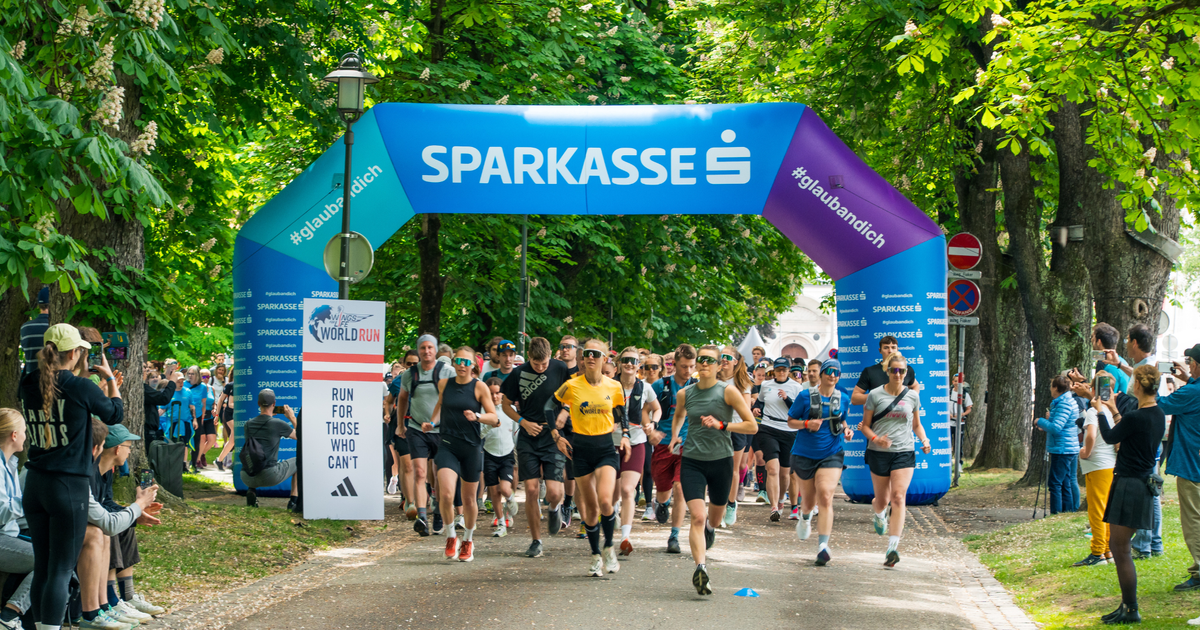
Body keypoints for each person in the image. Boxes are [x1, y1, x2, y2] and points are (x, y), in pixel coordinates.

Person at [18, 323, 126, 630]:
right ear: (76, 353)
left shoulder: (27, 382)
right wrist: (108, 380)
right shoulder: (82, 387)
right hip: (69, 485)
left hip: (36, 482)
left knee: (43, 567)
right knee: (62, 568)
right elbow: (115, 415)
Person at [669, 344, 758, 595]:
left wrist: (722, 425)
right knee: (697, 516)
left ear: (720, 366)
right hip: (692, 461)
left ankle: (711, 529)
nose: (705, 364)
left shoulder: (728, 392)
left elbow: (752, 427)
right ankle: (701, 568)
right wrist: (675, 436)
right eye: (702, 360)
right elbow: (678, 417)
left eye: (711, 360)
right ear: (696, 364)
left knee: (713, 520)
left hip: (721, 462)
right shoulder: (685, 394)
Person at [1094, 364, 1166, 624]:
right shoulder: (1157, 414)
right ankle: (1126, 604)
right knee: (1120, 546)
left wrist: (1099, 411)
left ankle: (1131, 608)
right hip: (1143, 483)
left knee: (1120, 548)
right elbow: (1130, 436)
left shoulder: (1136, 416)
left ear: (1137, 385)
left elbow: (1112, 438)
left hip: (1129, 485)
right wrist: (1114, 411)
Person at [554, 339, 632, 576]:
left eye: (596, 354)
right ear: (582, 357)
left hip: (605, 448)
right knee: (589, 508)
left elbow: (621, 410)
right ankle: (595, 554)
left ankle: (609, 547)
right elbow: (550, 406)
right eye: (587, 353)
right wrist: (556, 435)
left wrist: (626, 434)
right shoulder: (572, 385)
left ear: (605, 359)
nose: (590, 357)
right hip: (581, 449)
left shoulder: (613, 386)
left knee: (606, 501)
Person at [500, 337, 572, 558]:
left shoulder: (560, 369)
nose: (540, 368)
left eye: (544, 364)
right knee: (531, 489)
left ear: (551, 355)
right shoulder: (517, 374)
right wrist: (522, 421)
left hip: (553, 435)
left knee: (554, 492)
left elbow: (571, 395)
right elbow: (505, 404)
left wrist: (564, 412)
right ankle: (535, 540)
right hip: (529, 435)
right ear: (529, 357)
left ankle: (553, 509)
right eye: (536, 364)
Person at [859, 352, 930, 567]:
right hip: (878, 453)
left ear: (906, 373)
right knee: (882, 500)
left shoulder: (913, 396)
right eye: (893, 370)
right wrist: (876, 439)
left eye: (901, 371)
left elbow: (916, 424)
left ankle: (892, 548)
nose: (897, 374)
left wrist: (925, 440)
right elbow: (865, 426)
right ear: (887, 372)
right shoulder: (875, 395)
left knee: (899, 497)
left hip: (904, 452)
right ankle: (879, 513)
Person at [430, 347, 498, 562]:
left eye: (466, 362)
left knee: (469, 500)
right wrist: (431, 423)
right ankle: (451, 536)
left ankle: (468, 540)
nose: (461, 365)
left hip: (471, 448)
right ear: (453, 362)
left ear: (474, 366)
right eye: (458, 360)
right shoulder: (444, 384)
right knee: (446, 494)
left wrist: (477, 416)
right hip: (448, 445)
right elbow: (440, 406)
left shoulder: (480, 387)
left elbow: (494, 418)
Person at [787, 356, 854, 566]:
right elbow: (790, 422)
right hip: (805, 454)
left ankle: (823, 546)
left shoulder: (843, 398)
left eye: (837, 373)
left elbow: (842, 419)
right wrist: (807, 423)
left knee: (825, 495)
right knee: (808, 502)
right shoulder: (805, 396)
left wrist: (847, 429)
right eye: (829, 372)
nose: (833, 376)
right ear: (822, 374)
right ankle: (805, 517)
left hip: (832, 452)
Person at [393, 335, 452, 536]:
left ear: (435, 350)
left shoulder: (447, 371)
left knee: (437, 475)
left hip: (441, 430)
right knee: (419, 472)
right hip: (417, 428)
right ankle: (422, 517)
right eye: (423, 348)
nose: (426, 351)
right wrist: (400, 424)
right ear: (418, 351)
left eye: (430, 348)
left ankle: (437, 511)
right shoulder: (410, 375)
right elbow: (402, 398)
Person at [1157, 345, 1200, 592]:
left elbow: (1161, 404)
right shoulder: (1194, 388)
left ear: (1196, 365)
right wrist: (1188, 379)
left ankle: (1198, 571)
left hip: (1191, 467)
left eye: (1190, 360)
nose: (1188, 364)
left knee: (1193, 521)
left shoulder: (1193, 392)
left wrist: (1146, 380)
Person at [649, 344, 697, 554]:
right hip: (663, 444)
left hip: (688, 444)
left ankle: (674, 535)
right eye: (684, 366)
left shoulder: (698, 386)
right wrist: (651, 430)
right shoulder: (660, 386)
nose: (688, 371)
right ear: (674, 364)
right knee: (662, 489)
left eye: (691, 366)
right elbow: (645, 410)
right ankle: (661, 503)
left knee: (680, 488)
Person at [612, 347, 660, 555]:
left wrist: (653, 424)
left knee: (627, 490)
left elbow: (656, 409)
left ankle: (625, 537)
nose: (630, 364)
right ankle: (610, 519)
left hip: (637, 442)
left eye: (634, 361)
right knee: (610, 495)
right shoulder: (609, 386)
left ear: (638, 365)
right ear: (619, 364)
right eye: (626, 360)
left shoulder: (646, 388)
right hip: (611, 443)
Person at [1068, 376, 1118, 567]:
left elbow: (1091, 434)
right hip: (1109, 464)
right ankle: (1107, 550)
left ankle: (1097, 552)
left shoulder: (1092, 411)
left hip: (1097, 464)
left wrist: (1085, 452)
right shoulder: (1112, 411)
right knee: (1106, 509)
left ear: (1094, 389)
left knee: (1096, 510)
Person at [751, 357, 804, 523]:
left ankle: (781, 499)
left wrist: (787, 398)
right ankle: (774, 506)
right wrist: (756, 409)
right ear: (774, 371)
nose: (781, 372)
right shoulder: (766, 385)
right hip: (768, 428)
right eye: (778, 369)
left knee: (785, 472)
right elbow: (759, 402)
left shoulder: (796, 387)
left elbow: (798, 410)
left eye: (784, 369)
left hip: (789, 430)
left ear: (789, 370)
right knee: (772, 468)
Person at [0, 409, 34, 630]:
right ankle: (9, 615)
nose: (25, 436)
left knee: (60, 555)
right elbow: (2, 511)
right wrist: (32, 501)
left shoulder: (10, 463)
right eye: (23, 431)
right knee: (51, 560)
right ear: (14, 435)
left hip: (9, 535)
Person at [240, 389, 299, 510]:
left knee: (254, 457)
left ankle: (252, 491)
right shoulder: (278, 423)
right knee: (300, 461)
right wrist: (292, 417)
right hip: (269, 476)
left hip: (246, 476)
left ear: (258, 404)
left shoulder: (248, 424)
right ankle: (293, 502)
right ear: (274, 404)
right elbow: (301, 436)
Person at [716, 347, 755, 525]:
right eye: (721, 356)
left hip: (736, 427)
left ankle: (731, 504)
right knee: (717, 468)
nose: (723, 359)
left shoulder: (742, 381)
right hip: (716, 427)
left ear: (735, 361)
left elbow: (745, 408)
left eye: (727, 357)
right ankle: (718, 506)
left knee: (732, 468)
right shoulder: (713, 378)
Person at [1037, 374, 1081, 514]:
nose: (1050, 389)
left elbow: (1056, 427)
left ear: (1056, 388)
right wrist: (1047, 423)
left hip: (1062, 448)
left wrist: (1039, 421)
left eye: (1051, 386)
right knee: (1065, 481)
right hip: (1065, 446)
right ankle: (1066, 511)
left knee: (1055, 483)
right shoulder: (1065, 401)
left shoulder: (1063, 403)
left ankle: (1056, 512)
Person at [482, 378, 520, 537]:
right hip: (489, 453)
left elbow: (516, 430)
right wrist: (489, 425)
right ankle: (500, 523)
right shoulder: (484, 412)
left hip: (507, 453)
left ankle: (511, 500)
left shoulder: (509, 410)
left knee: (504, 488)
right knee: (494, 491)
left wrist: (516, 448)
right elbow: (479, 433)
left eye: (498, 392)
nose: (495, 396)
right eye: (491, 393)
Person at [851, 336, 919, 405]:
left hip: (903, 414)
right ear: (880, 350)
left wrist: (911, 399)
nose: (890, 351)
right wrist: (879, 396)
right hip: (879, 414)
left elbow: (915, 385)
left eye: (893, 347)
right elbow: (855, 399)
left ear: (897, 349)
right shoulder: (870, 371)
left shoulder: (906, 369)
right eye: (886, 348)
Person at [639, 354, 665, 520]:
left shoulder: (666, 385)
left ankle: (662, 502)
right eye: (647, 367)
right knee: (647, 468)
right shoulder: (640, 385)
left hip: (664, 431)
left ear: (660, 368)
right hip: (644, 430)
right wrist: (649, 428)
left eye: (654, 367)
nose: (650, 370)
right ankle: (649, 505)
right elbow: (641, 410)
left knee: (661, 470)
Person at [142, 365, 178, 449]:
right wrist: (172, 381)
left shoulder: (145, 388)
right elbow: (164, 398)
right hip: (147, 431)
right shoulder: (142, 388)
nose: (146, 371)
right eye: (144, 369)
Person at [1092, 323, 1131, 395]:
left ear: (1099, 342)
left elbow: (1104, 399)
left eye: (1093, 338)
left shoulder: (1110, 369)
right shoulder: (1122, 362)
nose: (1091, 341)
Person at [19, 287, 50, 377]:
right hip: (52, 382)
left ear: (38, 305)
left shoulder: (25, 327)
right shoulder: (57, 326)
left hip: (30, 381)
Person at [192, 368, 218, 471]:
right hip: (199, 415)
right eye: (203, 376)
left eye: (208, 377)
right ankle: (197, 460)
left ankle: (202, 454)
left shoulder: (212, 388)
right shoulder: (196, 388)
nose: (206, 379)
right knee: (201, 439)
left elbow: (214, 402)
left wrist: (215, 409)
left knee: (212, 439)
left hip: (209, 416)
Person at [212, 368, 236, 471]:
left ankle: (219, 460)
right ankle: (222, 460)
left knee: (232, 440)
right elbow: (225, 401)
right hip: (230, 414)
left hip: (237, 414)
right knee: (234, 437)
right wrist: (217, 415)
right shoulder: (231, 385)